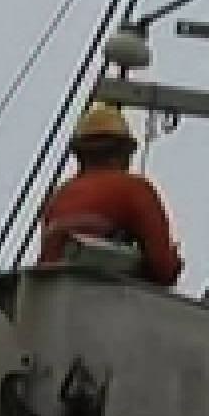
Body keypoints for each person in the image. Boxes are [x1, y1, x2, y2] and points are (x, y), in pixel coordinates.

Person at [39, 102, 182, 286]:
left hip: (52, 296)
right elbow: (163, 269)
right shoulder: (133, 190)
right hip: (104, 298)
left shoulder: (58, 198)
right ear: (124, 152)